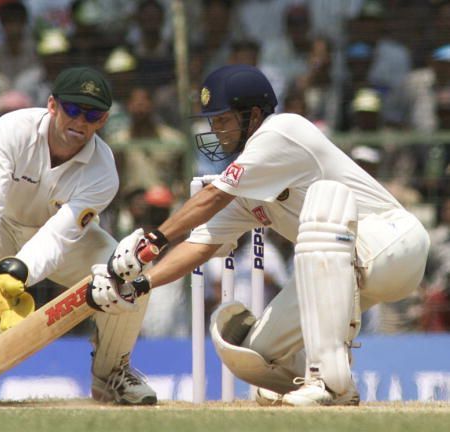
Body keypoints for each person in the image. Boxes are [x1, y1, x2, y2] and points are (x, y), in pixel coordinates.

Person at [85, 64, 430, 407]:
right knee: (253, 355)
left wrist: (152, 241)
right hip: (349, 272)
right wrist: (139, 285)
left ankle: (329, 381)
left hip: (391, 242)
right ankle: (324, 380)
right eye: (211, 121)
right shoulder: (248, 191)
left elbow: (213, 197)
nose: (215, 130)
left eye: (223, 120)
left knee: (322, 210)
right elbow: (198, 245)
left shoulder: (281, 130)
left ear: (252, 114)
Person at [0, 66, 157, 406]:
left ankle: (111, 374)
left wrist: (19, 272)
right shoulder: (12, 129)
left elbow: (60, 236)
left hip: (64, 244)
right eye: (73, 109)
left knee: (129, 273)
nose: (80, 122)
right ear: (52, 105)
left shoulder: (103, 170)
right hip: (2, 225)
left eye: (92, 115)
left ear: (103, 120)